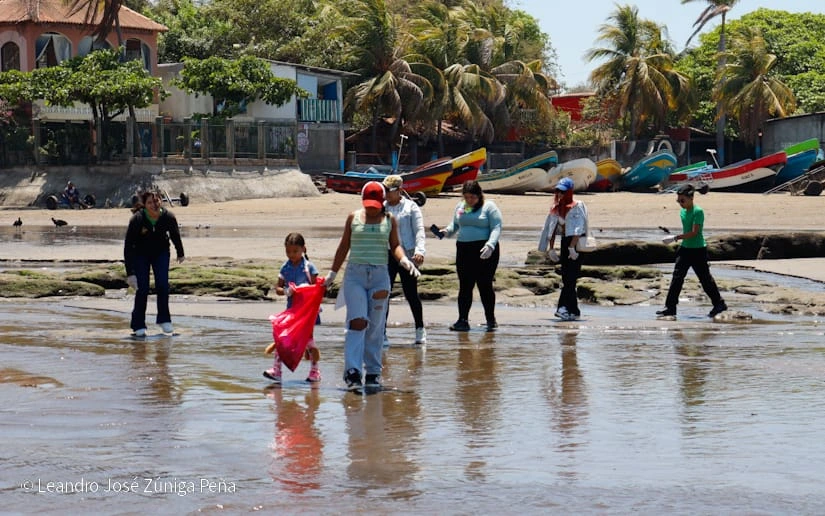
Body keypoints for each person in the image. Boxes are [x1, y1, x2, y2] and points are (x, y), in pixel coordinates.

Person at [325, 181, 421, 390]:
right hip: (355, 276)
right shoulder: (353, 218)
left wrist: (404, 260)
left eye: (375, 205)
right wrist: (332, 272)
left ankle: (373, 372)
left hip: (379, 276)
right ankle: (352, 371)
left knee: (376, 327)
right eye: (367, 204)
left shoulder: (390, 220)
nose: (371, 208)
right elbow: (344, 246)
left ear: (382, 201)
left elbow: (395, 245)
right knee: (357, 322)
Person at [435, 179, 502, 332]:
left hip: (485, 249)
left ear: (479, 196)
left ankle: (491, 320)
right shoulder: (461, 207)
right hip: (464, 249)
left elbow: (497, 227)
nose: (469, 200)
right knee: (465, 285)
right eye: (466, 197)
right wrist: (446, 231)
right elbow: (455, 225)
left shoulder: (489, 207)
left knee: (484, 285)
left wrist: (490, 245)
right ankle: (462, 320)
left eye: (472, 197)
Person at [657, 184, 727, 318]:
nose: (680, 204)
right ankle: (670, 307)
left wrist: (675, 237)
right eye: (678, 201)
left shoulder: (698, 211)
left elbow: (694, 232)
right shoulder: (682, 212)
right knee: (677, 278)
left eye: (682, 200)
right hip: (685, 249)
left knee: (705, 279)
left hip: (698, 250)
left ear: (691, 198)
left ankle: (719, 304)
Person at [124, 190, 185, 336]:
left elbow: (175, 235)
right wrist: (130, 273)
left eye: (157, 201)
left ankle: (164, 320)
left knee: (163, 285)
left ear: (161, 201)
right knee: (142, 288)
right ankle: (138, 324)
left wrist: (180, 252)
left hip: (161, 253)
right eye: (150, 202)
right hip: (141, 255)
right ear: (144, 205)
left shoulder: (168, 216)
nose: (154, 205)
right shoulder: (137, 219)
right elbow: (128, 246)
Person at [264, 232, 322, 384]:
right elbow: (278, 287)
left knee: (308, 342)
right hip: (292, 312)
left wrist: (306, 289)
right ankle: (277, 370)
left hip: (307, 312)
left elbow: (318, 288)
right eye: (288, 252)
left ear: (303, 249)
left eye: (295, 251)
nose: (292, 255)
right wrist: (286, 291)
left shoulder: (309, 267)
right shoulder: (286, 267)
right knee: (283, 339)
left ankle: (315, 371)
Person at [382, 174, 427, 346]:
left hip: (407, 255)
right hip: (387, 255)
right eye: (384, 190)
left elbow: (419, 231)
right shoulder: (382, 208)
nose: (386, 194)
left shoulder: (411, 207)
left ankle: (420, 329)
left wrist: (419, 251)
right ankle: (382, 332)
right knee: (384, 294)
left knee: (411, 294)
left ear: (399, 190)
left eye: (389, 191)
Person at [538, 177, 587, 321]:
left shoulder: (578, 205)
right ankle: (574, 310)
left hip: (577, 244)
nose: (560, 194)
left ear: (570, 192)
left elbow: (579, 227)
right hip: (565, 242)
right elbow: (551, 229)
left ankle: (562, 308)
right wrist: (551, 248)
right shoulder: (555, 208)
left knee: (571, 278)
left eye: (563, 192)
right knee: (567, 278)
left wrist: (573, 247)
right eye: (558, 191)